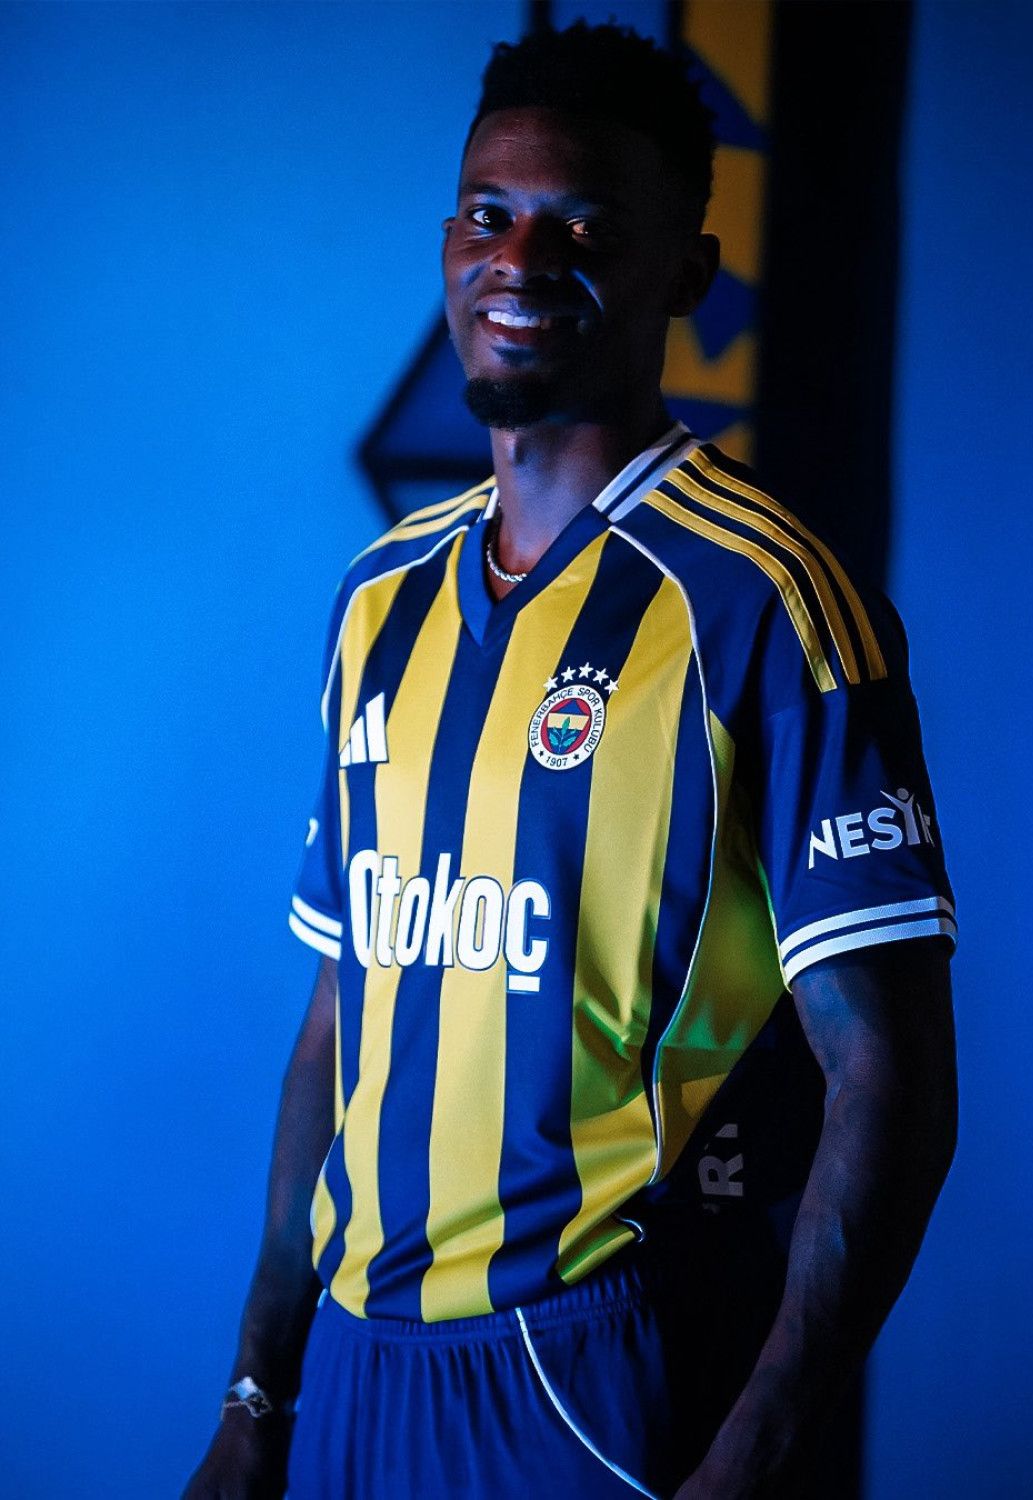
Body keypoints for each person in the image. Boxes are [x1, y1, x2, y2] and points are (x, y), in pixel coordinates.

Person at [183, 20, 957, 1500]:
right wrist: (257, 1393)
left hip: (582, 1374)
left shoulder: (767, 603)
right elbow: (340, 1014)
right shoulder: (378, 600)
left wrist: (756, 1450)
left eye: (583, 228)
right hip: (349, 1370)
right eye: (489, 215)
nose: (521, 262)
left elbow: (892, 1075)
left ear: (687, 275)